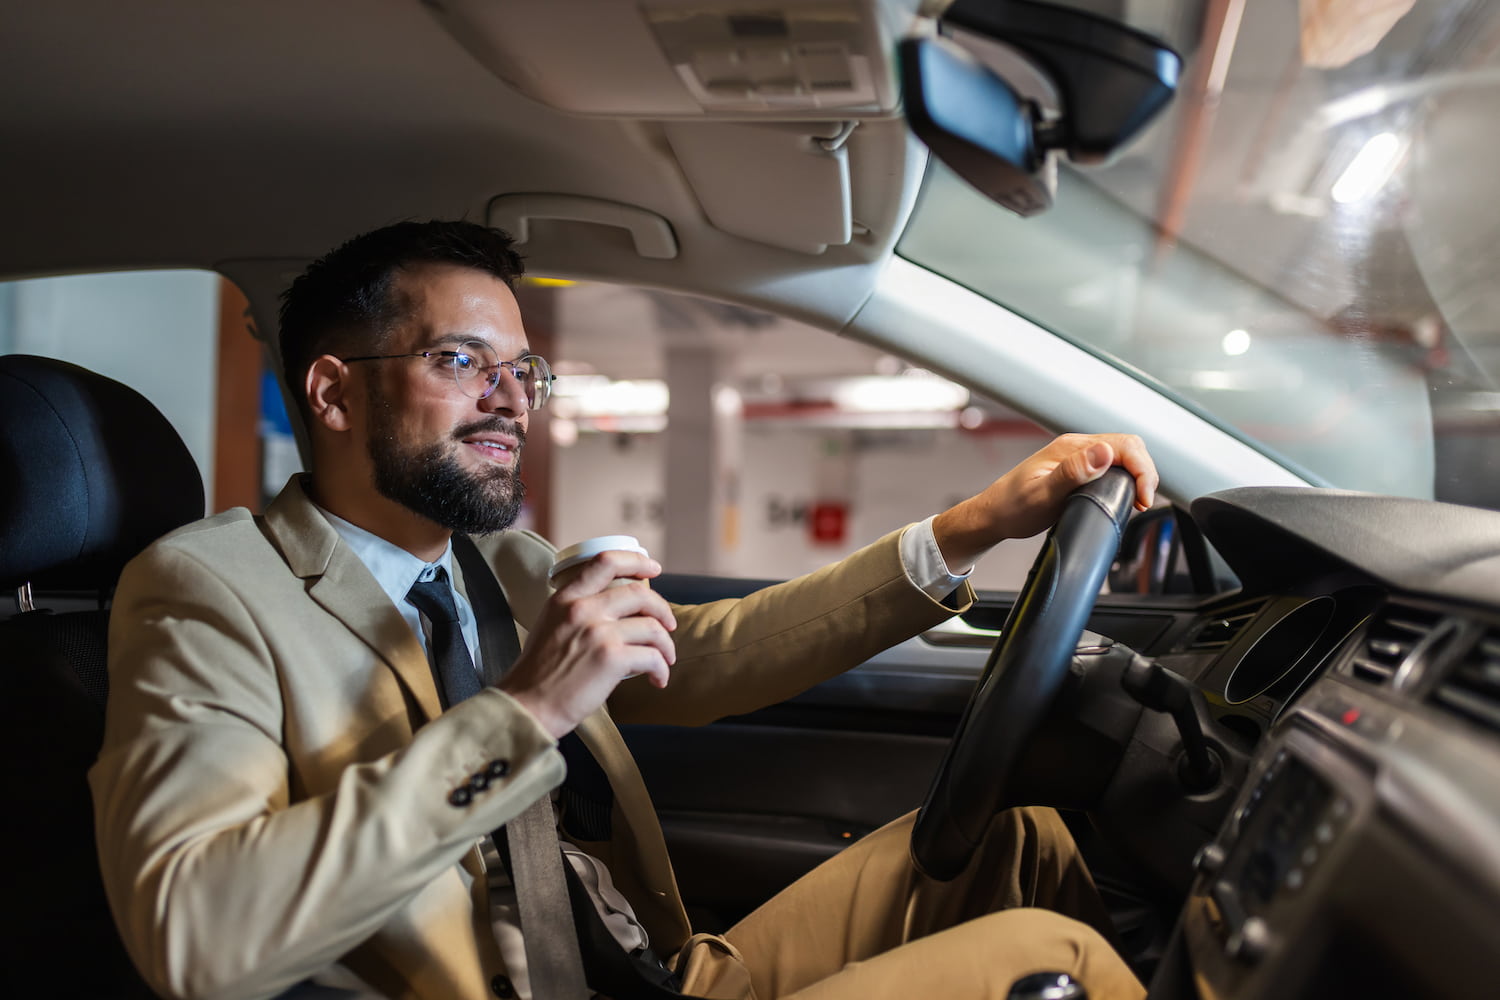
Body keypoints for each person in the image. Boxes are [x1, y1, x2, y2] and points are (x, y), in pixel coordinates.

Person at [91, 221, 1159, 1000]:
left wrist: (974, 524)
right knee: (1051, 963)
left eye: (522, 369)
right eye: (460, 361)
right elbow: (197, 936)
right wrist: (530, 710)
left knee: (1022, 846)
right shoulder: (210, 591)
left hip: (654, 972)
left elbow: (694, 656)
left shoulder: (494, 561)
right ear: (330, 393)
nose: (509, 396)